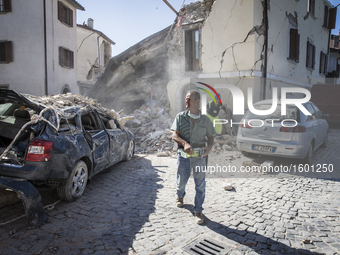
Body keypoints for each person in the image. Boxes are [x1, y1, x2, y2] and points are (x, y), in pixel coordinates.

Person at [171, 90, 215, 224]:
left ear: (197, 102)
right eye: (186, 98)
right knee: (182, 181)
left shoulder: (206, 120)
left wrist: (208, 148)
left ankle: (198, 211)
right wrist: (184, 144)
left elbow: (211, 137)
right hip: (183, 156)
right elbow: (174, 135)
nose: (186, 101)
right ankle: (180, 196)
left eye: (189, 99)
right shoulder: (180, 117)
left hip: (200, 157)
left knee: (200, 185)